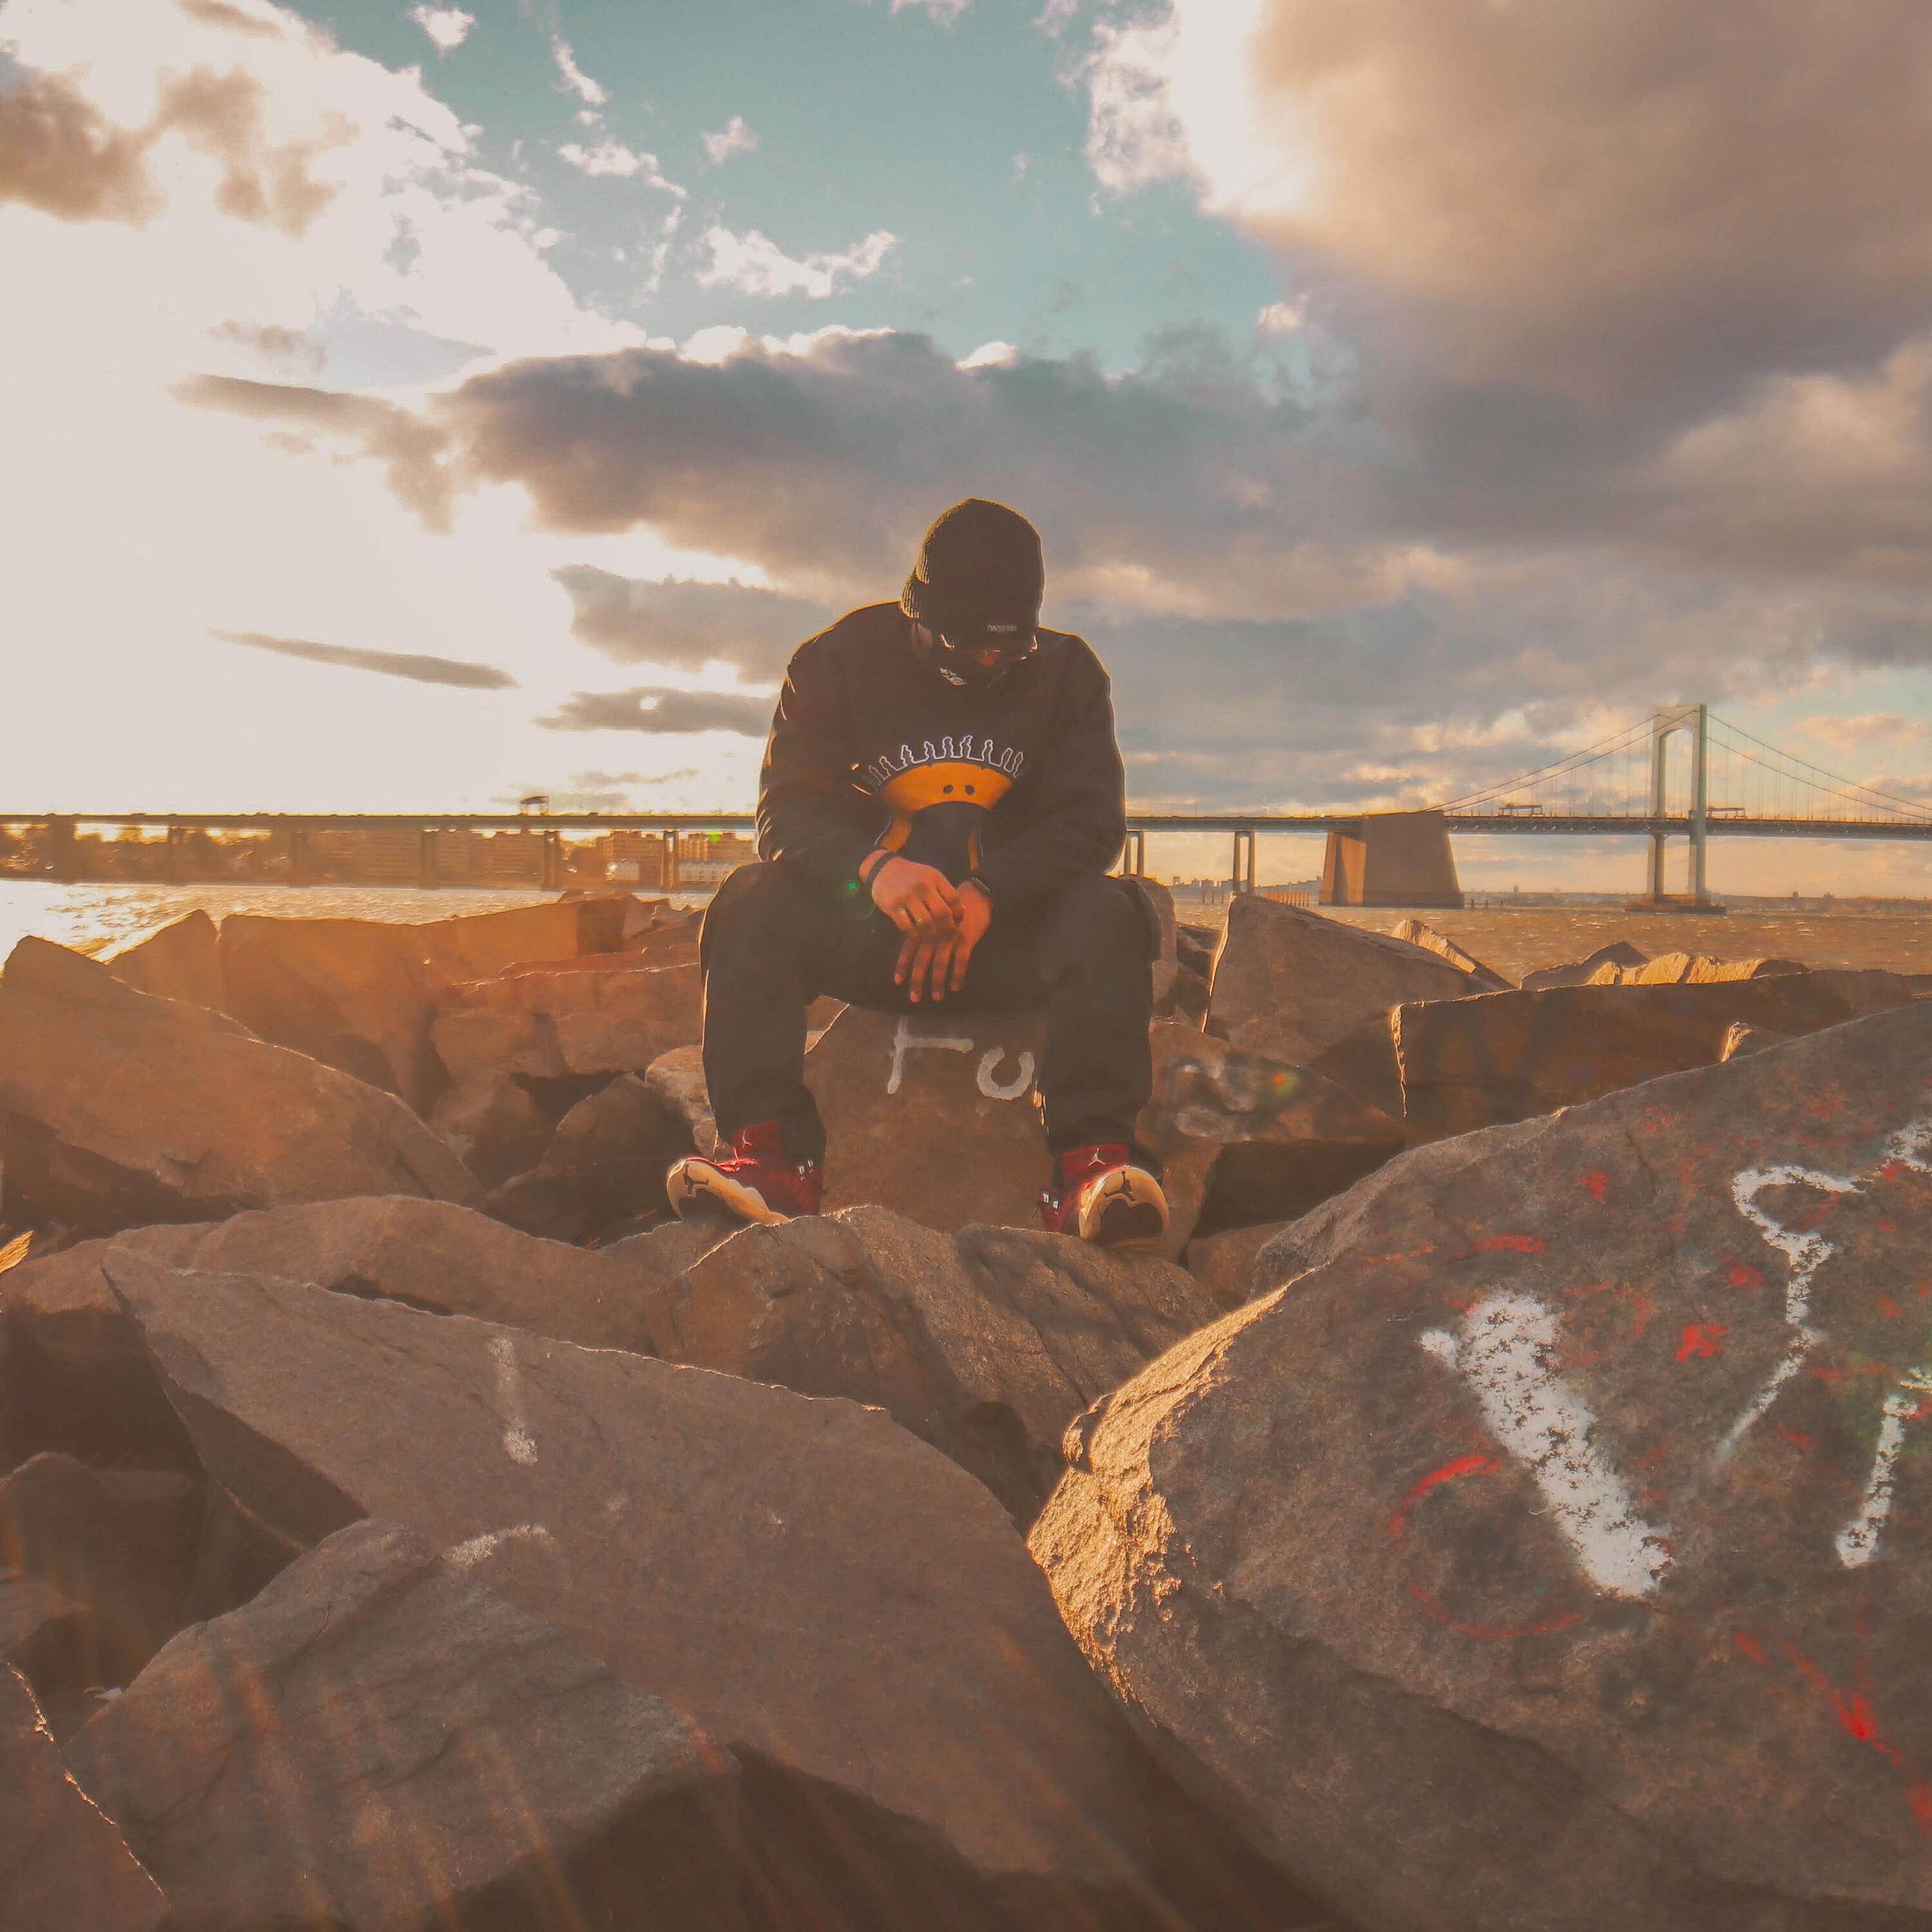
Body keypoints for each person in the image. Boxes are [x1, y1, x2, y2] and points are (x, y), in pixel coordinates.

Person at [667, 497, 1167, 1247]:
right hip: (872, 938)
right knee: (750, 899)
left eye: (1011, 647)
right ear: (918, 614)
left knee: (1109, 911)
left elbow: (1090, 822)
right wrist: (872, 871)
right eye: (968, 646)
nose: (991, 662)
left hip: (1008, 942)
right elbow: (785, 815)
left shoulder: (1067, 673)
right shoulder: (836, 663)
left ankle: (1090, 1171)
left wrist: (990, 894)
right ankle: (770, 1162)